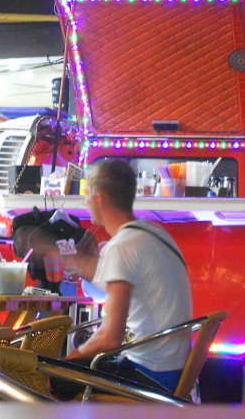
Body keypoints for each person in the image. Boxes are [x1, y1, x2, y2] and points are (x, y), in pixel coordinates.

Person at [51, 159, 192, 399]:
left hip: (147, 377)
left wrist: (66, 361)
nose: (85, 202)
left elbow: (110, 338)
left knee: (54, 379)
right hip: (172, 371)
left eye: (86, 195)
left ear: (99, 199)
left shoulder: (122, 247)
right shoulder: (154, 233)